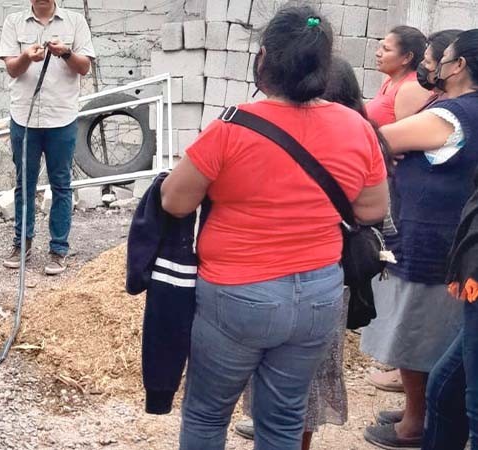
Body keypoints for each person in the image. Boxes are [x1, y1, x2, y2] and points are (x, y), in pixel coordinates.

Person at [161, 6, 389, 449]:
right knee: (284, 420)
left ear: (264, 57)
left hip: (237, 294)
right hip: (319, 295)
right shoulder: (357, 128)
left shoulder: (232, 126)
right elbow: (372, 208)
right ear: (325, 64)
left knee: (208, 414)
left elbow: (174, 201)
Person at [233, 57, 375, 450]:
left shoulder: (348, 140)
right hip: (317, 280)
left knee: (300, 377)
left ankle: (290, 435)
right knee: (293, 372)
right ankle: (279, 428)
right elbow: (378, 214)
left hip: (306, 279)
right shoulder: (360, 137)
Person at [360, 30, 478, 450]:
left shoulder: (454, 114)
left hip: (432, 241)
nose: (433, 66)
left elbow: (377, 139)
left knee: (416, 337)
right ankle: (423, 412)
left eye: (439, 58)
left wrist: (380, 144)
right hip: (452, 241)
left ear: (459, 65)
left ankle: (415, 424)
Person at [0, 0, 96, 275]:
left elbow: (84, 67)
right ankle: (22, 244)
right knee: (24, 184)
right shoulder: (13, 22)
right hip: (24, 117)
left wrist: (65, 53)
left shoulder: (75, 22)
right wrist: (27, 57)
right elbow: (12, 69)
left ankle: (58, 250)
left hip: (61, 116)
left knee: (61, 184)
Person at [366, 26, 432, 127]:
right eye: (380, 47)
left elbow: (407, 137)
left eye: (386, 49)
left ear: (407, 57)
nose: (378, 53)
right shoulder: (390, 80)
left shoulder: (412, 88)